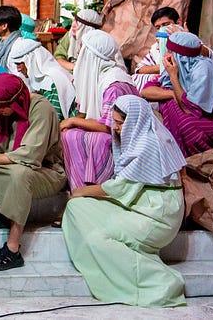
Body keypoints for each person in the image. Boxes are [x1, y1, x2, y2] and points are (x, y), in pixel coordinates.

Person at [63, 95, 186, 307]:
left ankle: (160, 283)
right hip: (142, 205)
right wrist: (79, 196)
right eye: (116, 122)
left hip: (157, 216)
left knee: (96, 238)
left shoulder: (148, 144)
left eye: (121, 123)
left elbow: (118, 187)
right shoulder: (146, 134)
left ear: (135, 120)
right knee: (77, 207)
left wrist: (80, 190)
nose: (117, 128)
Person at [0, 74, 66, 271]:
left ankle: (12, 249)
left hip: (45, 170)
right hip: (8, 162)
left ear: (17, 100)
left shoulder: (40, 108)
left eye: (3, 107)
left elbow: (30, 155)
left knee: (20, 175)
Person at [141, 32, 213, 156]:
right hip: (198, 111)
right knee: (171, 105)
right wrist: (173, 93)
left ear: (181, 56)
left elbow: (188, 108)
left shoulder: (203, 69)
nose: (167, 55)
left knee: (188, 126)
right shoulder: (182, 66)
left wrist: (174, 76)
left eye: (170, 52)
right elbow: (146, 91)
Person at [60, 30, 137, 190]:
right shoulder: (106, 76)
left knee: (77, 136)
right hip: (113, 131)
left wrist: (73, 120)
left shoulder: (113, 84)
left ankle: (87, 187)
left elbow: (110, 126)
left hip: (123, 138)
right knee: (71, 132)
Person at [132, 7, 213, 91]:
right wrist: (165, 67)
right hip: (167, 80)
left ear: (178, 23)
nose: (162, 30)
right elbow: (140, 70)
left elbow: (210, 55)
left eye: (165, 24)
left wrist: (185, 38)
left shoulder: (190, 39)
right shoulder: (156, 47)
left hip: (188, 81)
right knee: (137, 78)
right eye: (158, 27)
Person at [7, 38, 76, 121]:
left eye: (19, 64)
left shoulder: (52, 82)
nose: (18, 69)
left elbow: (53, 118)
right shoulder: (33, 80)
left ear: (30, 60)